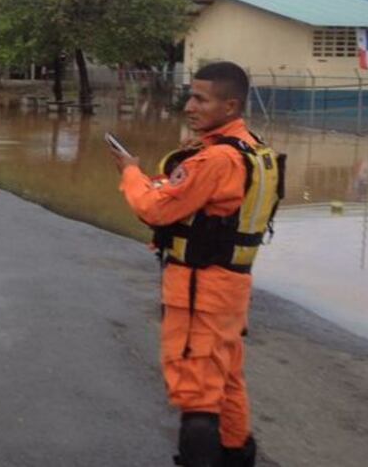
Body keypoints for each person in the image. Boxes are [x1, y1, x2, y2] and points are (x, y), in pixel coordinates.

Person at [109, 62, 284, 467]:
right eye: (190, 95)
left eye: (201, 99)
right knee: (226, 379)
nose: (190, 106)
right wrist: (151, 178)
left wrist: (131, 173)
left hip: (199, 291)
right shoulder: (254, 150)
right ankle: (236, 456)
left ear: (230, 105)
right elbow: (185, 199)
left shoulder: (215, 160)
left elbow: (154, 209)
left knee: (195, 389)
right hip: (231, 287)